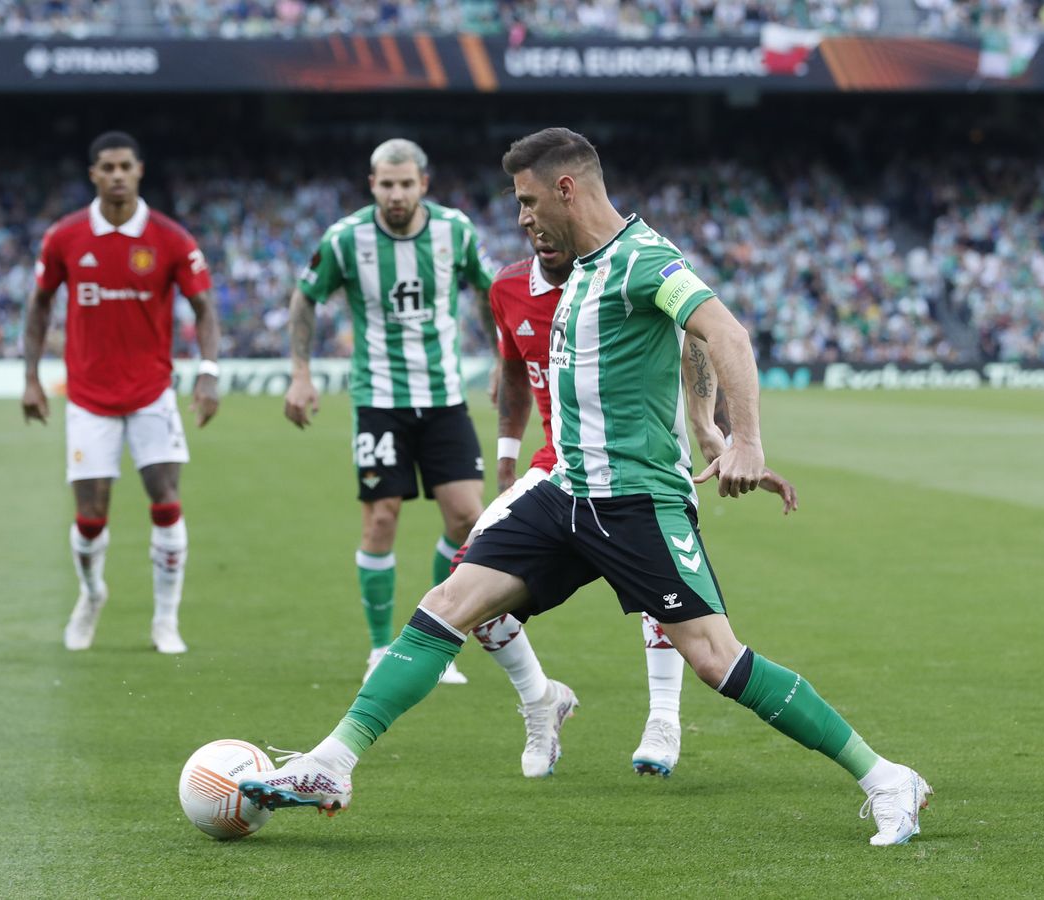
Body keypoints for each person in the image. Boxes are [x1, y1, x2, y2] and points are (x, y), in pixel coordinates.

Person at [240, 128, 927, 847]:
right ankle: (331, 762)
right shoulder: (580, 266)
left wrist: (741, 437)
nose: (523, 217)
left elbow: (724, 333)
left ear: (566, 188)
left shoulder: (643, 259)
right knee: (449, 603)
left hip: (636, 501)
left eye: (529, 201)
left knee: (717, 660)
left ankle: (886, 777)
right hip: (565, 493)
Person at [458, 228, 799, 779]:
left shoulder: (623, 270)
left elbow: (699, 334)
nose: (534, 226)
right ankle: (539, 696)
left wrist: (709, 424)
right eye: (522, 208)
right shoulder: (508, 288)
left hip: (638, 465)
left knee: (662, 595)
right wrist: (505, 456)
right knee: (469, 586)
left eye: (539, 207)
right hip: (557, 466)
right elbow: (514, 372)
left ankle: (664, 717)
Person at [283, 138, 501, 685]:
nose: (397, 194)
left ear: (423, 184)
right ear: (372, 184)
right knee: (382, 517)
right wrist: (301, 373)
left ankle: (435, 639)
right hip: (379, 400)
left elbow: (485, 290)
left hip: (445, 397)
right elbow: (305, 296)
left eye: (406, 184)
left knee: (467, 519)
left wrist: (504, 356)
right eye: (387, 184)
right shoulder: (346, 239)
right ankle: (382, 648)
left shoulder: (456, 231)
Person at [22, 130, 221, 655]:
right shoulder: (64, 237)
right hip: (89, 397)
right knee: (90, 517)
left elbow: (205, 308)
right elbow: (40, 305)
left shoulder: (171, 238)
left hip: (152, 394)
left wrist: (208, 371)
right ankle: (91, 596)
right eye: (106, 167)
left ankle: (165, 620)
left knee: (166, 501)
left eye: (124, 166)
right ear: (93, 174)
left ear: (139, 171)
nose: (116, 175)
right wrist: (30, 378)